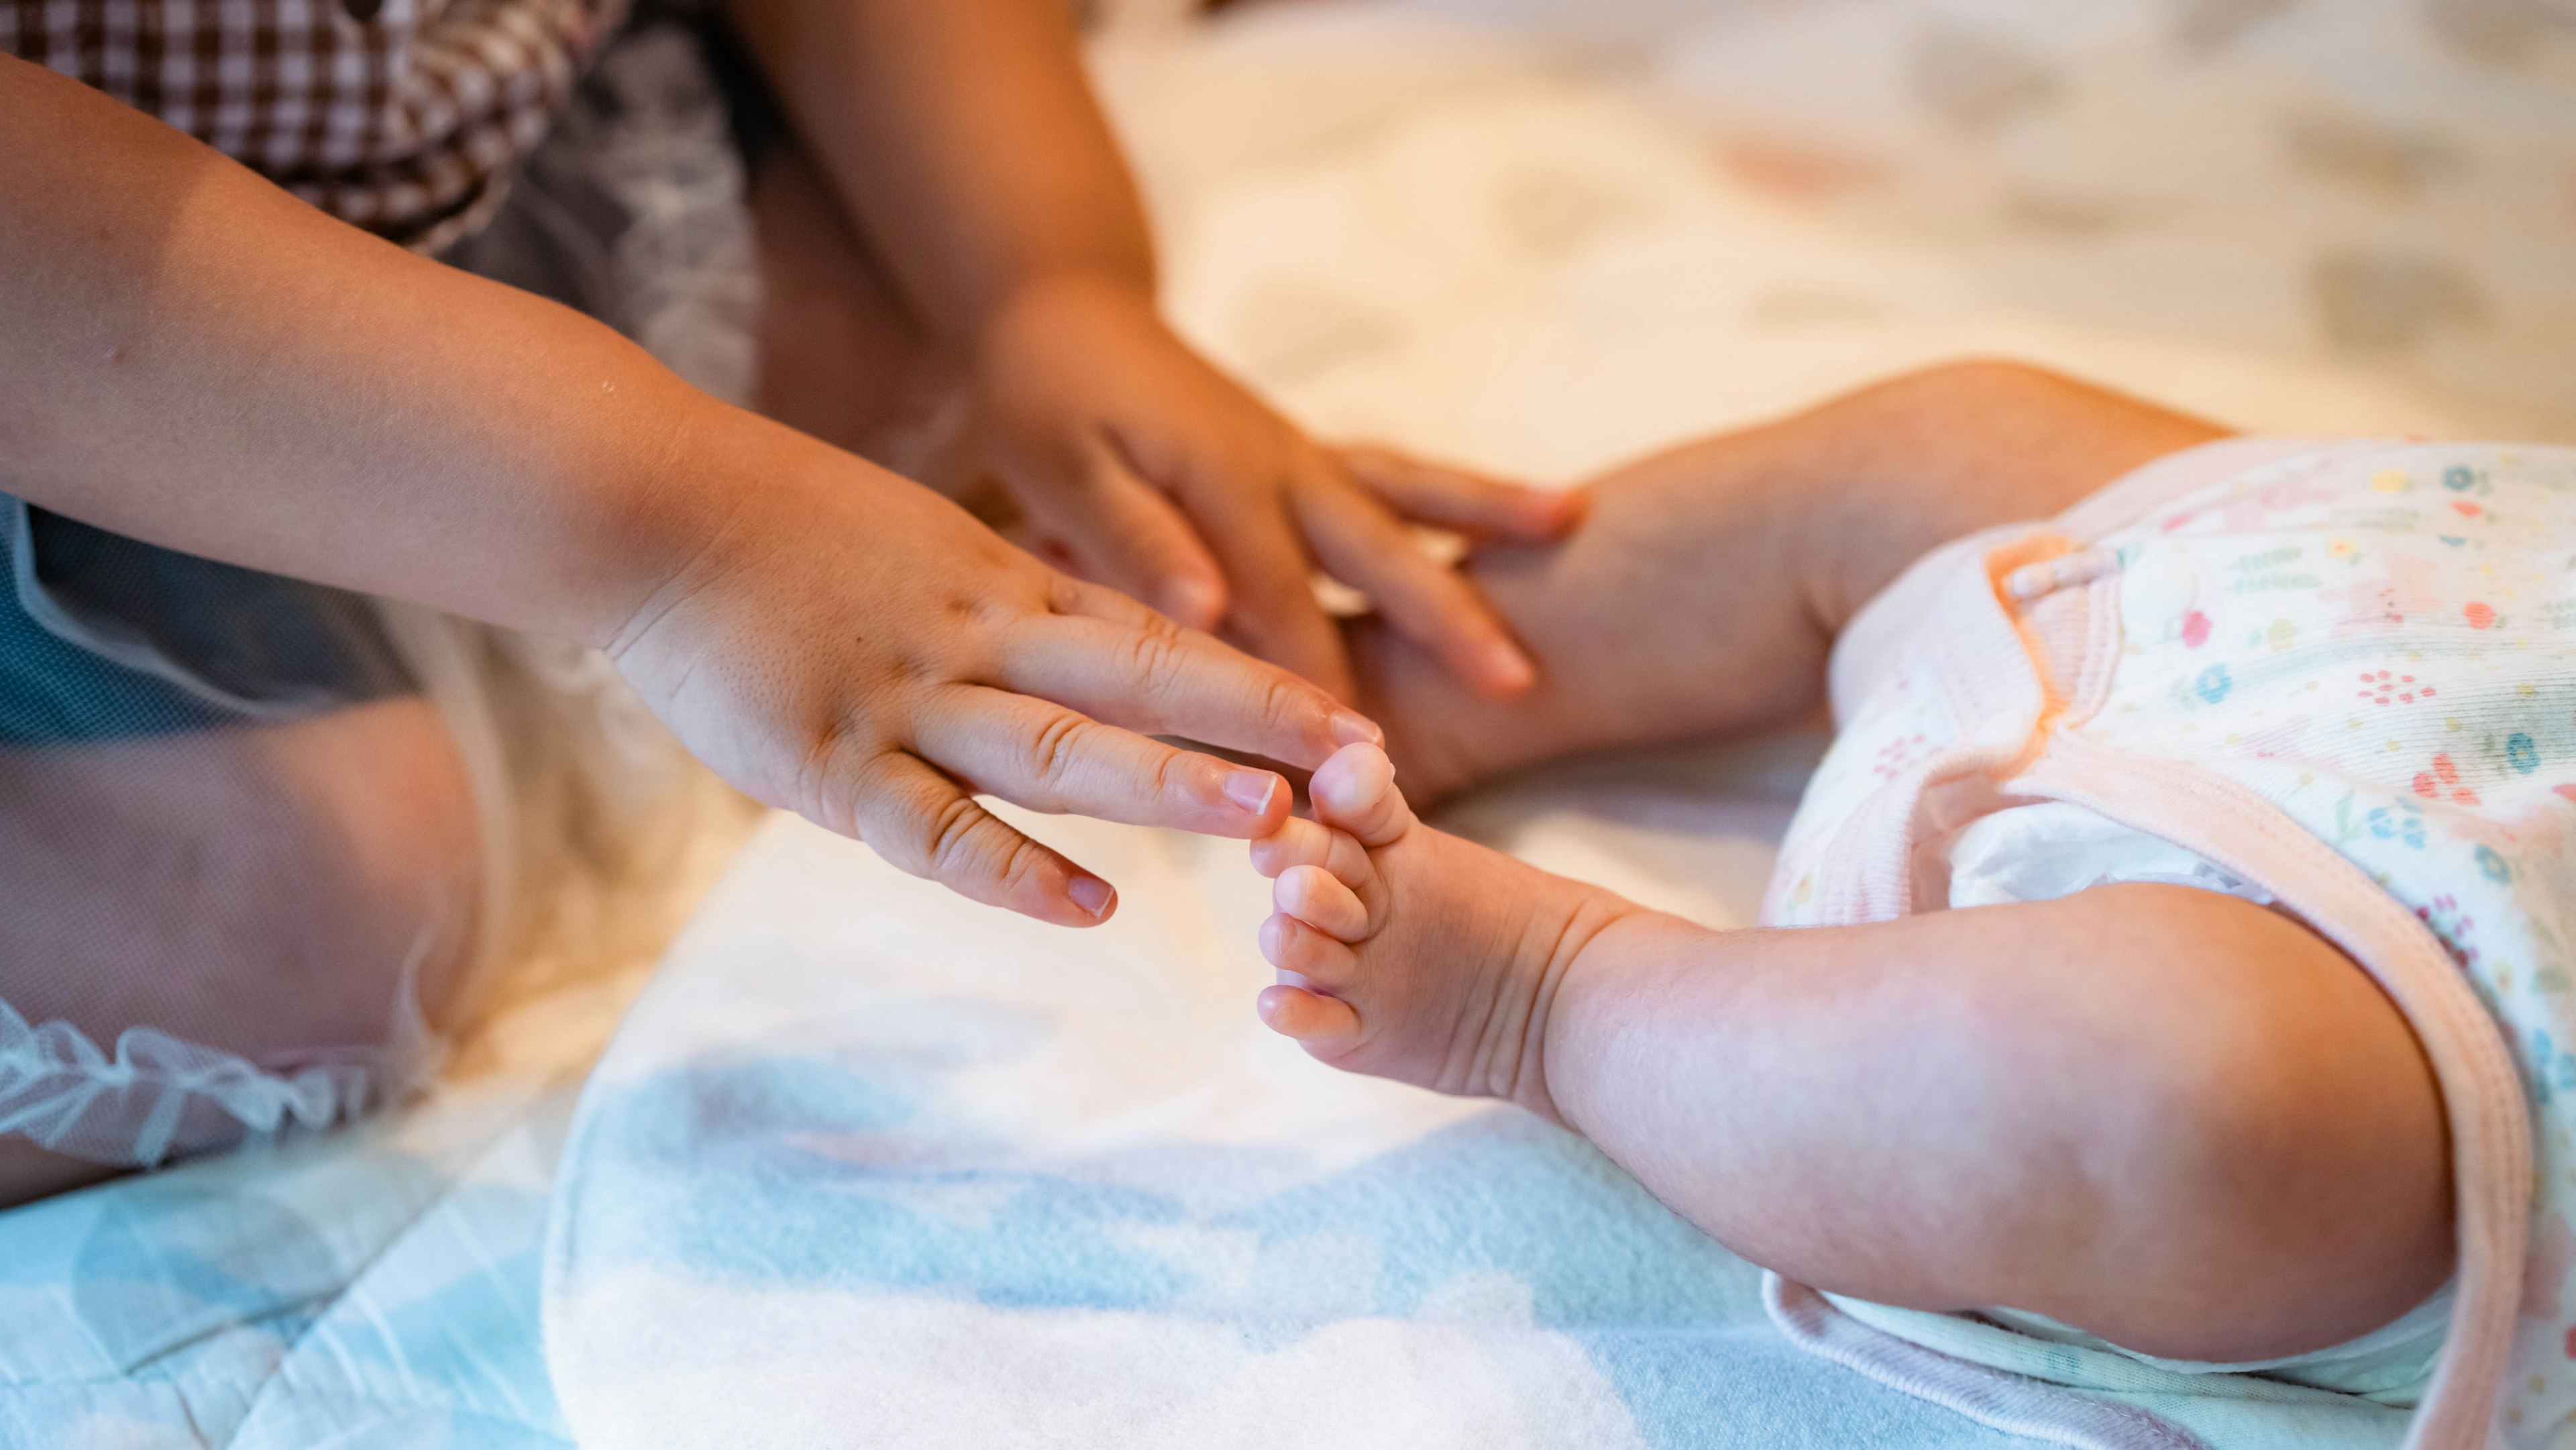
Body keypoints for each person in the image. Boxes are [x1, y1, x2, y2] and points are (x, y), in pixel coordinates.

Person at [0, 0, 1576, 1205]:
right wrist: (688, 527)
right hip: (76, 298)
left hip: (427, 145)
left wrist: (1046, 282)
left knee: (954, 353)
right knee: (278, 914)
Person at [1244, 361, 2576, 1444]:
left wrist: (1545, 993)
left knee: (2181, 1095)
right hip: (2403, 600)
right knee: (1935, 447)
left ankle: (1552, 992)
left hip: (2452, 1030)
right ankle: (1371, 681)